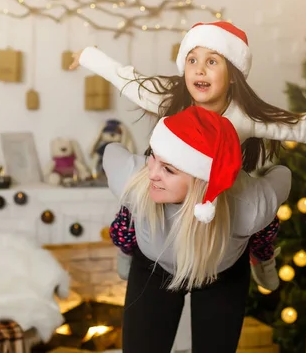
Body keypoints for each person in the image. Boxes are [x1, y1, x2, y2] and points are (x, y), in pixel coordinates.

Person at [71, 21, 306, 291]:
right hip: (168, 181)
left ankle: (262, 257)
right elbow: (128, 79)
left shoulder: (246, 115)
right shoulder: (167, 96)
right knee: (131, 202)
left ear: (233, 73)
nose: (200, 69)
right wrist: (88, 56)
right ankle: (127, 249)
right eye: (192, 60)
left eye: (212, 61)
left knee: (261, 219)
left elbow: (300, 126)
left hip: (217, 188)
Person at [103, 105, 291, 352]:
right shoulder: (134, 178)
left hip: (221, 271)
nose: (152, 174)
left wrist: (262, 257)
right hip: (154, 265)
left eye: (168, 169)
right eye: (153, 156)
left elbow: (283, 175)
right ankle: (125, 253)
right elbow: (111, 151)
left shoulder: (250, 206)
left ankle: (263, 262)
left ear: (202, 181)